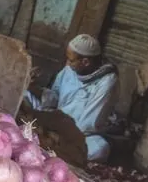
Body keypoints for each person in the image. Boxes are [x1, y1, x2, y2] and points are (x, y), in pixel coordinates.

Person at [23, 34, 117, 162]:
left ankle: (51, 146)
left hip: (77, 133)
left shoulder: (107, 81)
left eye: (71, 60)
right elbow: (54, 98)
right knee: (26, 94)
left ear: (85, 62)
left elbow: (89, 123)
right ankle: (49, 144)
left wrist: (59, 132)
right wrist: (34, 87)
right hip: (55, 119)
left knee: (100, 147)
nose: (67, 63)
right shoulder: (69, 69)